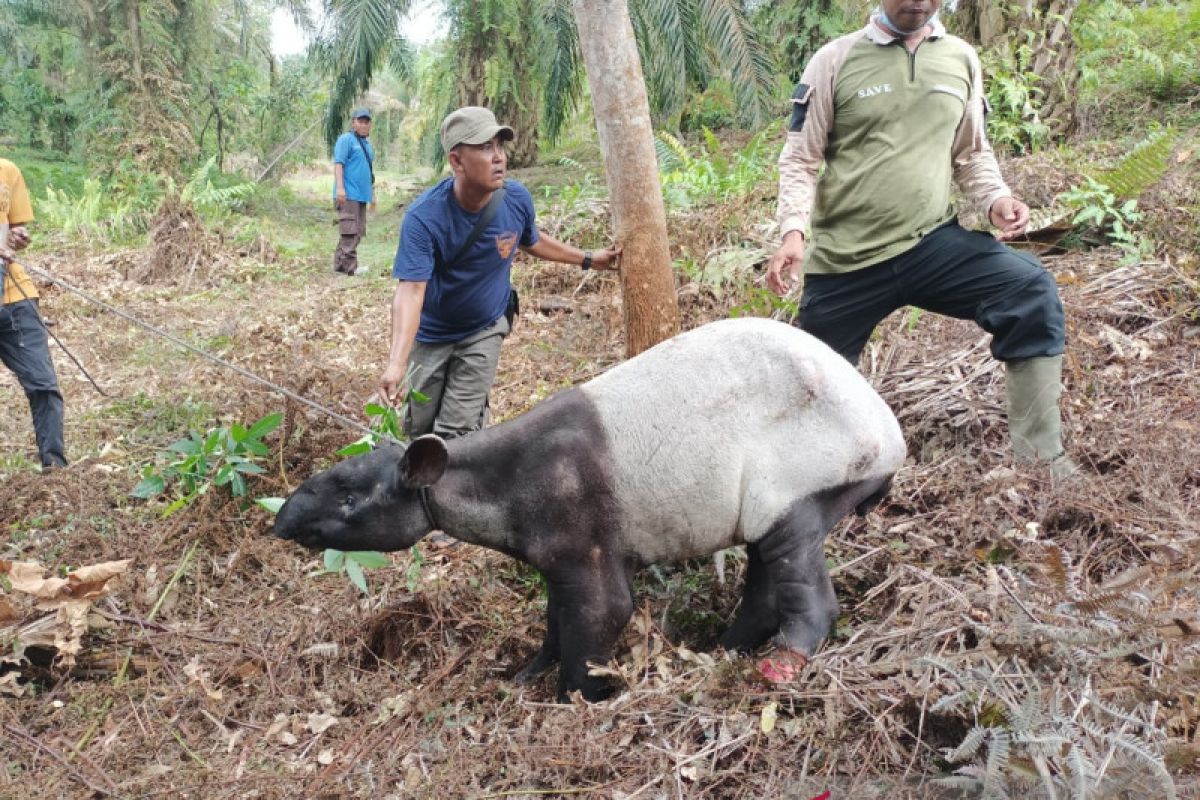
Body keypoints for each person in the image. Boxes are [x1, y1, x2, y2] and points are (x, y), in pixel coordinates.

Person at [767, 0, 1077, 482]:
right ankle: (811, 491)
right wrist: (793, 232)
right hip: (847, 261)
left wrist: (996, 198)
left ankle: (1042, 464)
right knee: (813, 383)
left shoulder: (960, 58)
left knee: (1029, 292)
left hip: (931, 244)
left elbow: (971, 151)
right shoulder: (835, 60)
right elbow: (800, 159)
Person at [379, 106, 620, 439]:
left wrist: (589, 259)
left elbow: (531, 240)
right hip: (432, 335)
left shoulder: (516, 199)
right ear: (456, 161)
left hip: (484, 329)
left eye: (499, 146)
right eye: (484, 148)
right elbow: (411, 291)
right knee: (414, 429)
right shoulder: (425, 218)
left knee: (457, 432)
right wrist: (396, 363)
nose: (498, 157)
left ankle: (453, 488)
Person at [0, 158, 67, 470]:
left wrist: (18, 237)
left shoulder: (8, 171)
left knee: (43, 385)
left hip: (15, 296)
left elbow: (15, 228)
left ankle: (55, 471)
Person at [332, 107, 377, 276]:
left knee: (356, 231)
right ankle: (351, 267)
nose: (364, 125)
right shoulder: (346, 140)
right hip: (348, 194)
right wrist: (341, 189)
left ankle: (339, 265)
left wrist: (372, 194)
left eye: (367, 122)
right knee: (349, 230)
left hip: (361, 195)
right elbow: (339, 164)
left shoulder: (367, 145)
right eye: (361, 121)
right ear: (353, 122)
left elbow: (369, 172)